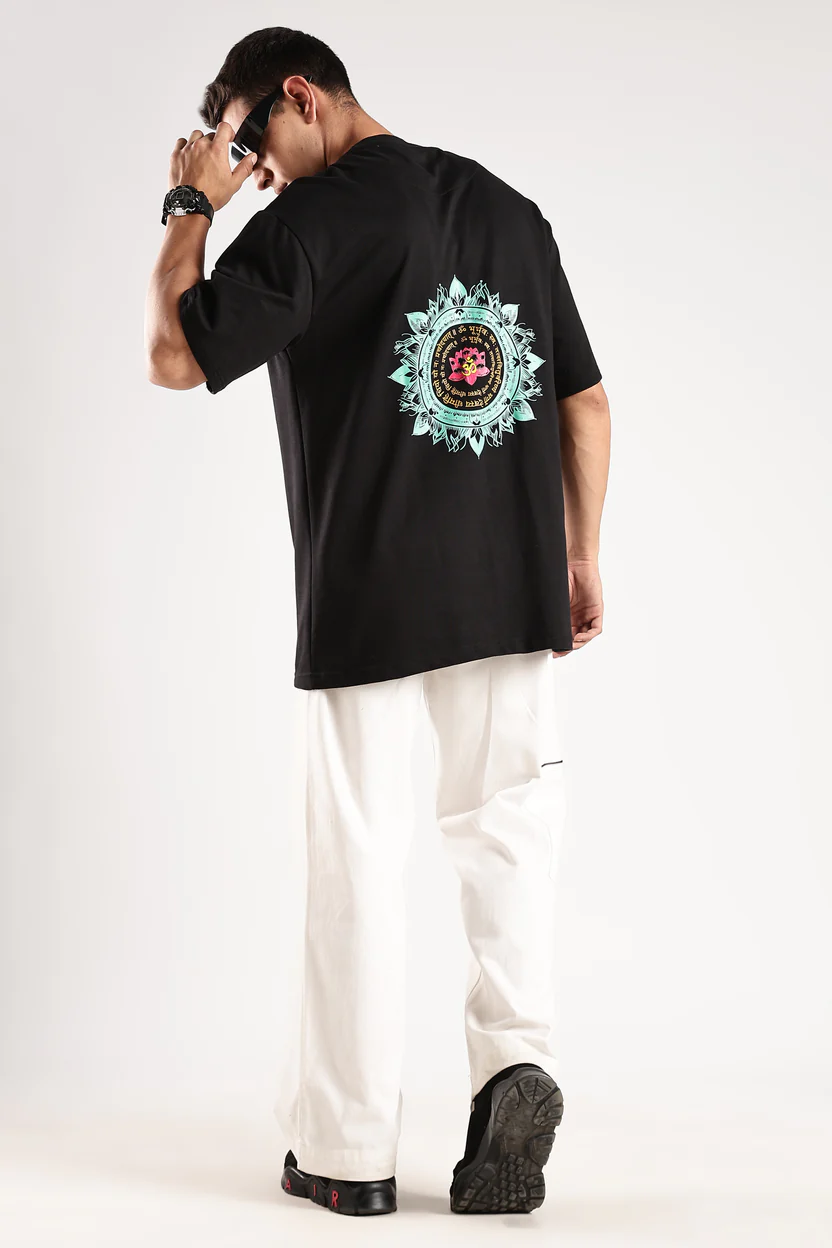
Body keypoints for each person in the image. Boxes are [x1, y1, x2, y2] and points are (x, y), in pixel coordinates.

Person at [145, 25, 611, 1218]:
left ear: (299, 96)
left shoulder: (309, 225)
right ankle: (513, 1067)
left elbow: (174, 354)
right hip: (510, 585)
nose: (251, 168)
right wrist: (578, 555)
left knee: (356, 859)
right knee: (508, 836)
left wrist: (188, 205)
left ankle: (347, 1155)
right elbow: (584, 402)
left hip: (369, 593)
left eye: (249, 138)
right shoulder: (507, 210)